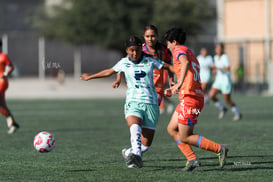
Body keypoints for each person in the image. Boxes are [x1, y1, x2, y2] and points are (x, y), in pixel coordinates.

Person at [81, 35, 173, 168]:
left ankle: (130, 152)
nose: (134, 53)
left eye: (137, 50)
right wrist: (90, 77)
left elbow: (168, 67)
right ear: (127, 51)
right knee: (134, 125)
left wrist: (183, 75)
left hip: (151, 103)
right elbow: (109, 71)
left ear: (141, 50)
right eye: (131, 50)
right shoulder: (124, 62)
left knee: (146, 145)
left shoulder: (150, 61)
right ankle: (137, 155)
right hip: (133, 101)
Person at [163, 28, 228, 171]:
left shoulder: (178, 50)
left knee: (185, 136)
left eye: (168, 43)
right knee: (172, 129)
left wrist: (179, 84)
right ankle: (192, 160)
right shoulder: (188, 50)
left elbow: (185, 63)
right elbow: (186, 70)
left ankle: (219, 149)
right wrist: (176, 85)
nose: (167, 46)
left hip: (190, 99)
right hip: (190, 97)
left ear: (173, 42)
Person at [112, 25, 174, 159]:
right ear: (144, 37)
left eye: (152, 36)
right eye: (147, 36)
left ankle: (133, 151)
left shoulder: (163, 50)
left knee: (148, 128)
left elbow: (169, 67)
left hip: (157, 88)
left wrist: (171, 81)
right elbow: (122, 65)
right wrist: (118, 78)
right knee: (138, 119)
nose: (150, 39)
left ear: (157, 36)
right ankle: (135, 152)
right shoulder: (139, 48)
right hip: (142, 90)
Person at [209, 43, 242, 121]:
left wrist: (218, 69)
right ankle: (223, 109)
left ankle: (237, 113)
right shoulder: (216, 57)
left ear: (222, 49)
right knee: (211, 95)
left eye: (219, 48)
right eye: (217, 48)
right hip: (218, 81)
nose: (218, 50)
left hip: (225, 81)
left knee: (227, 99)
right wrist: (213, 70)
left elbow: (228, 68)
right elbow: (214, 67)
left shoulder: (225, 57)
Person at [0, 40, 20, 134]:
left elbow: (11, 67)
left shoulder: (3, 56)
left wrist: (5, 73)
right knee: (3, 106)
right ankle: (13, 123)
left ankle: (10, 119)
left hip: (2, 81)